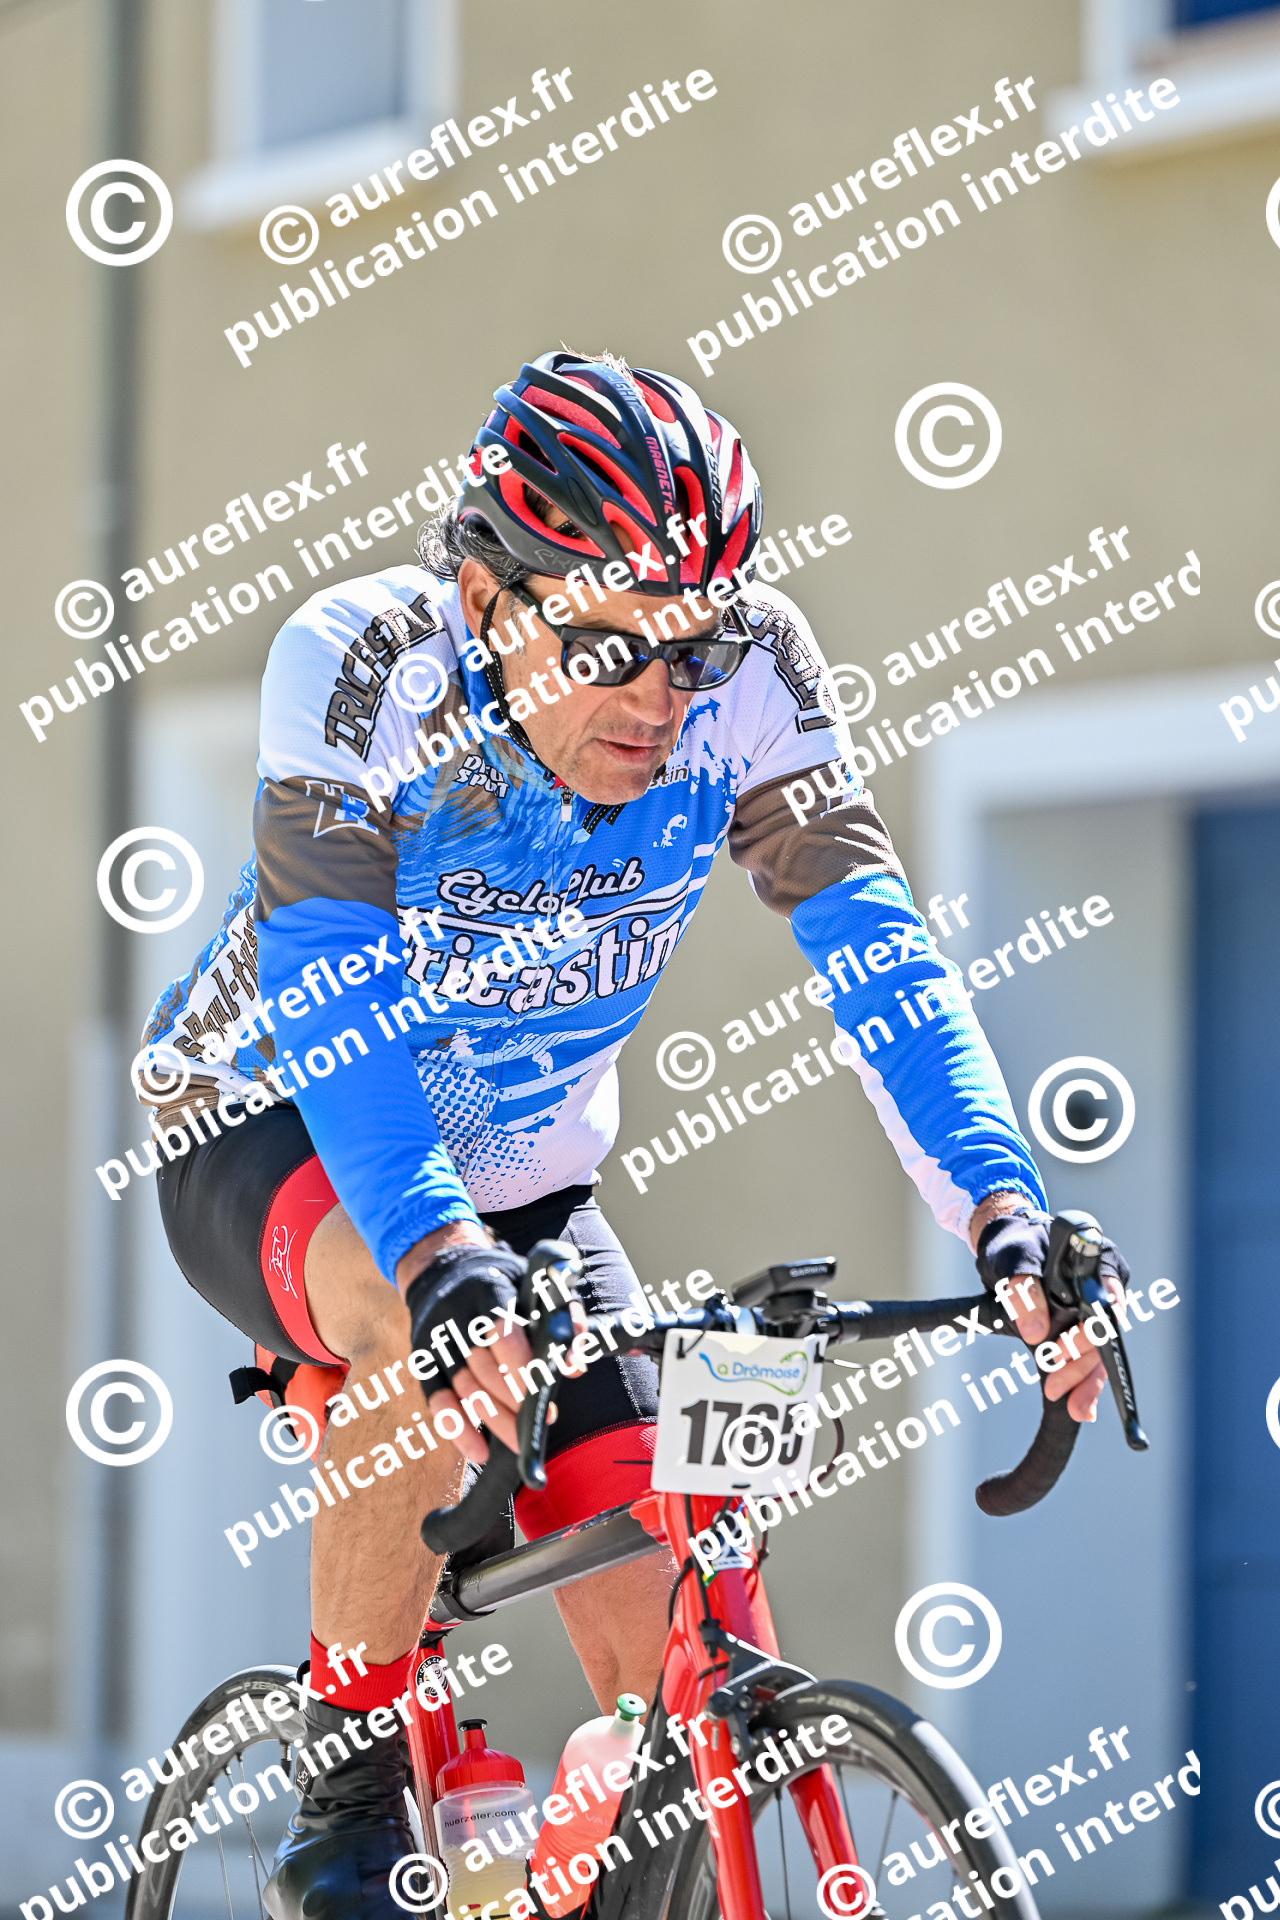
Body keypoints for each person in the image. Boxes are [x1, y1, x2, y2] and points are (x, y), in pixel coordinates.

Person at [138, 351, 1126, 1920]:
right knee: (409, 1320)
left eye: (695, 649)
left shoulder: (757, 672)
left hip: (528, 1186)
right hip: (281, 1122)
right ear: (487, 596)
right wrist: (435, 1253)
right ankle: (344, 1782)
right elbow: (334, 981)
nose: (663, 699)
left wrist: (1006, 1214)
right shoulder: (365, 662)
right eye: (609, 647)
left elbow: (877, 949)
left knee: (680, 1646)